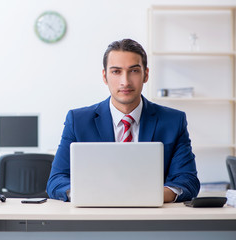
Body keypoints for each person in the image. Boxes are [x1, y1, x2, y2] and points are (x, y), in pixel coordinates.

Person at [46, 38, 200, 203]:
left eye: (133, 71)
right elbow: (56, 180)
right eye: (116, 71)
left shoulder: (173, 121)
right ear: (105, 76)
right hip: (95, 216)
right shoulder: (78, 121)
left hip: (153, 218)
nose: (125, 82)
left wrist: (147, 196)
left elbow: (188, 181)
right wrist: (90, 195)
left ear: (145, 74)